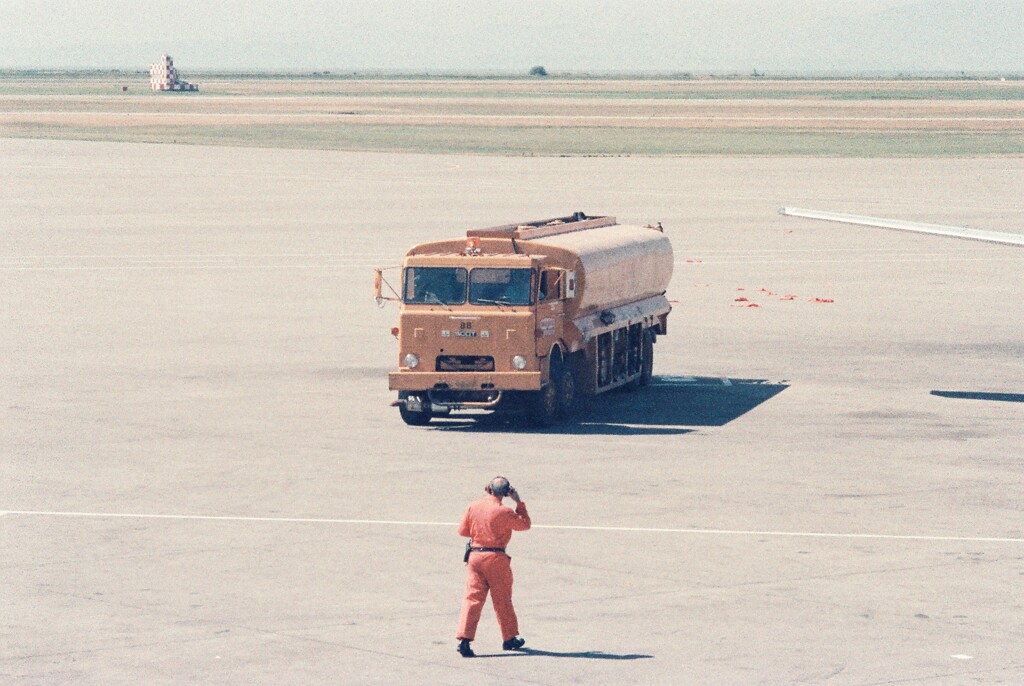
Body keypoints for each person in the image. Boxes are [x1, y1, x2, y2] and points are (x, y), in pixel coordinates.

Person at [456, 476, 531, 658]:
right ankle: (509, 637)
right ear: (506, 493)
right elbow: (525, 524)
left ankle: (464, 639)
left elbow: (463, 531)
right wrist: (519, 502)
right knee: (502, 600)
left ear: (488, 488)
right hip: (496, 559)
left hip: (475, 557)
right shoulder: (504, 511)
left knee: (472, 599)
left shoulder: (473, 506)